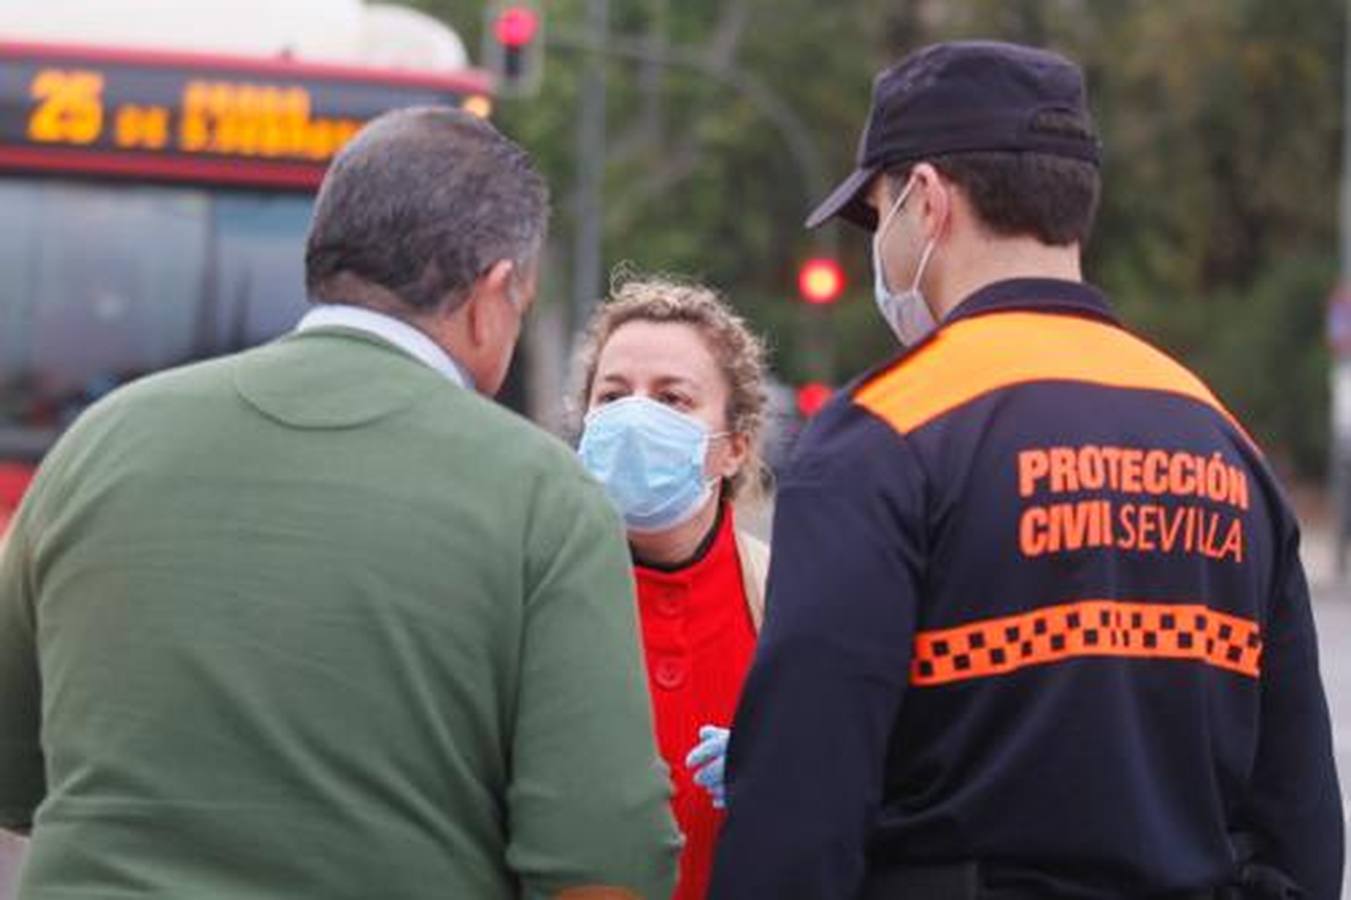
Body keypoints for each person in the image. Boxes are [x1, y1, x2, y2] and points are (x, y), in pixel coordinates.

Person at [709, 41, 1343, 900]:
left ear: (927, 201)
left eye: (878, 213)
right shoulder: (1221, 439)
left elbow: (800, 801)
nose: (880, 251)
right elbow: (1298, 815)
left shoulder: (882, 436)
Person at [0, 107, 679, 900]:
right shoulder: (545, 499)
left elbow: (18, 771)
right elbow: (602, 860)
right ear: (492, 293)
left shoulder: (98, 442)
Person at [572, 275, 770, 900]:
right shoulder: (533, 596)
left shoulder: (789, 599)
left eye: (672, 399)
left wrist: (785, 772)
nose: (636, 417)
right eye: (613, 395)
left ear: (734, 447)